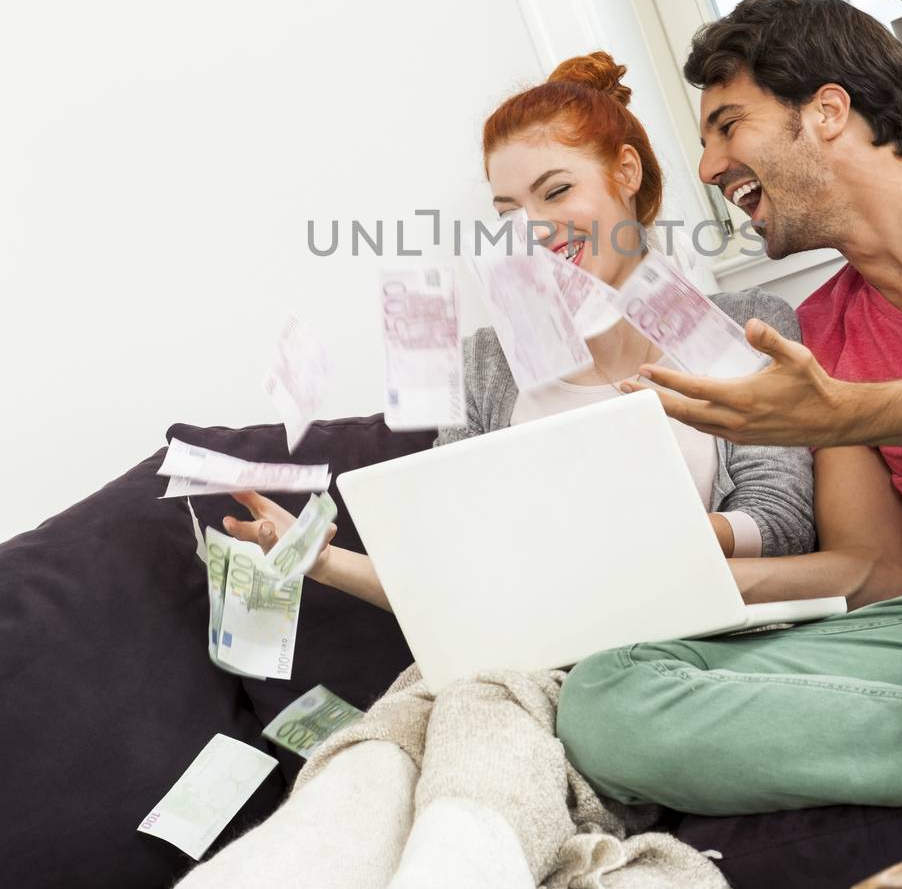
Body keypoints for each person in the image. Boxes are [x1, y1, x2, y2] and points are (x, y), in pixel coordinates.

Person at [556, 0, 902, 818]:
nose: (707, 167)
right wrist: (668, 574)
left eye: (727, 125)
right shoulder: (818, 329)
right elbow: (873, 573)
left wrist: (848, 413)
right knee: (607, 698)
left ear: (827, 111)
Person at [224, 51, 815, 613]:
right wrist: (321, 560)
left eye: (557, 191)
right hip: (515, 654)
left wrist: (608, 539)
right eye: (509, 213)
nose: (533, 230)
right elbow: (452, 577)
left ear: (626, 172)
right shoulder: (486, 362)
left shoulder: (745, 324)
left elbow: (781, 524)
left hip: (674, 634)